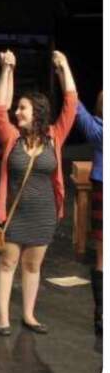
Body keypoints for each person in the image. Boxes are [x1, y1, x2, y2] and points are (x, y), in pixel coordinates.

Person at [0, 49, 77, 336]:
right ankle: (3, 317)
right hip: (15, 215)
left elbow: (71, 104)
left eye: (23, 109)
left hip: (43, 214)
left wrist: (64, 68)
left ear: (37, 113)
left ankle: (28, 314)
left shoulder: (55, 136)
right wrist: (7, 69)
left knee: (32, 266)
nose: (18, 113)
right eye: (18, 109)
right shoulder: (11, 138)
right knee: (7, 263)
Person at [75, 90, 103, 338]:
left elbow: (75, 105)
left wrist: (64, 72)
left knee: (102, 255)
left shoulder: (98, 132)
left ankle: (101, 315)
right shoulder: (100, 132)